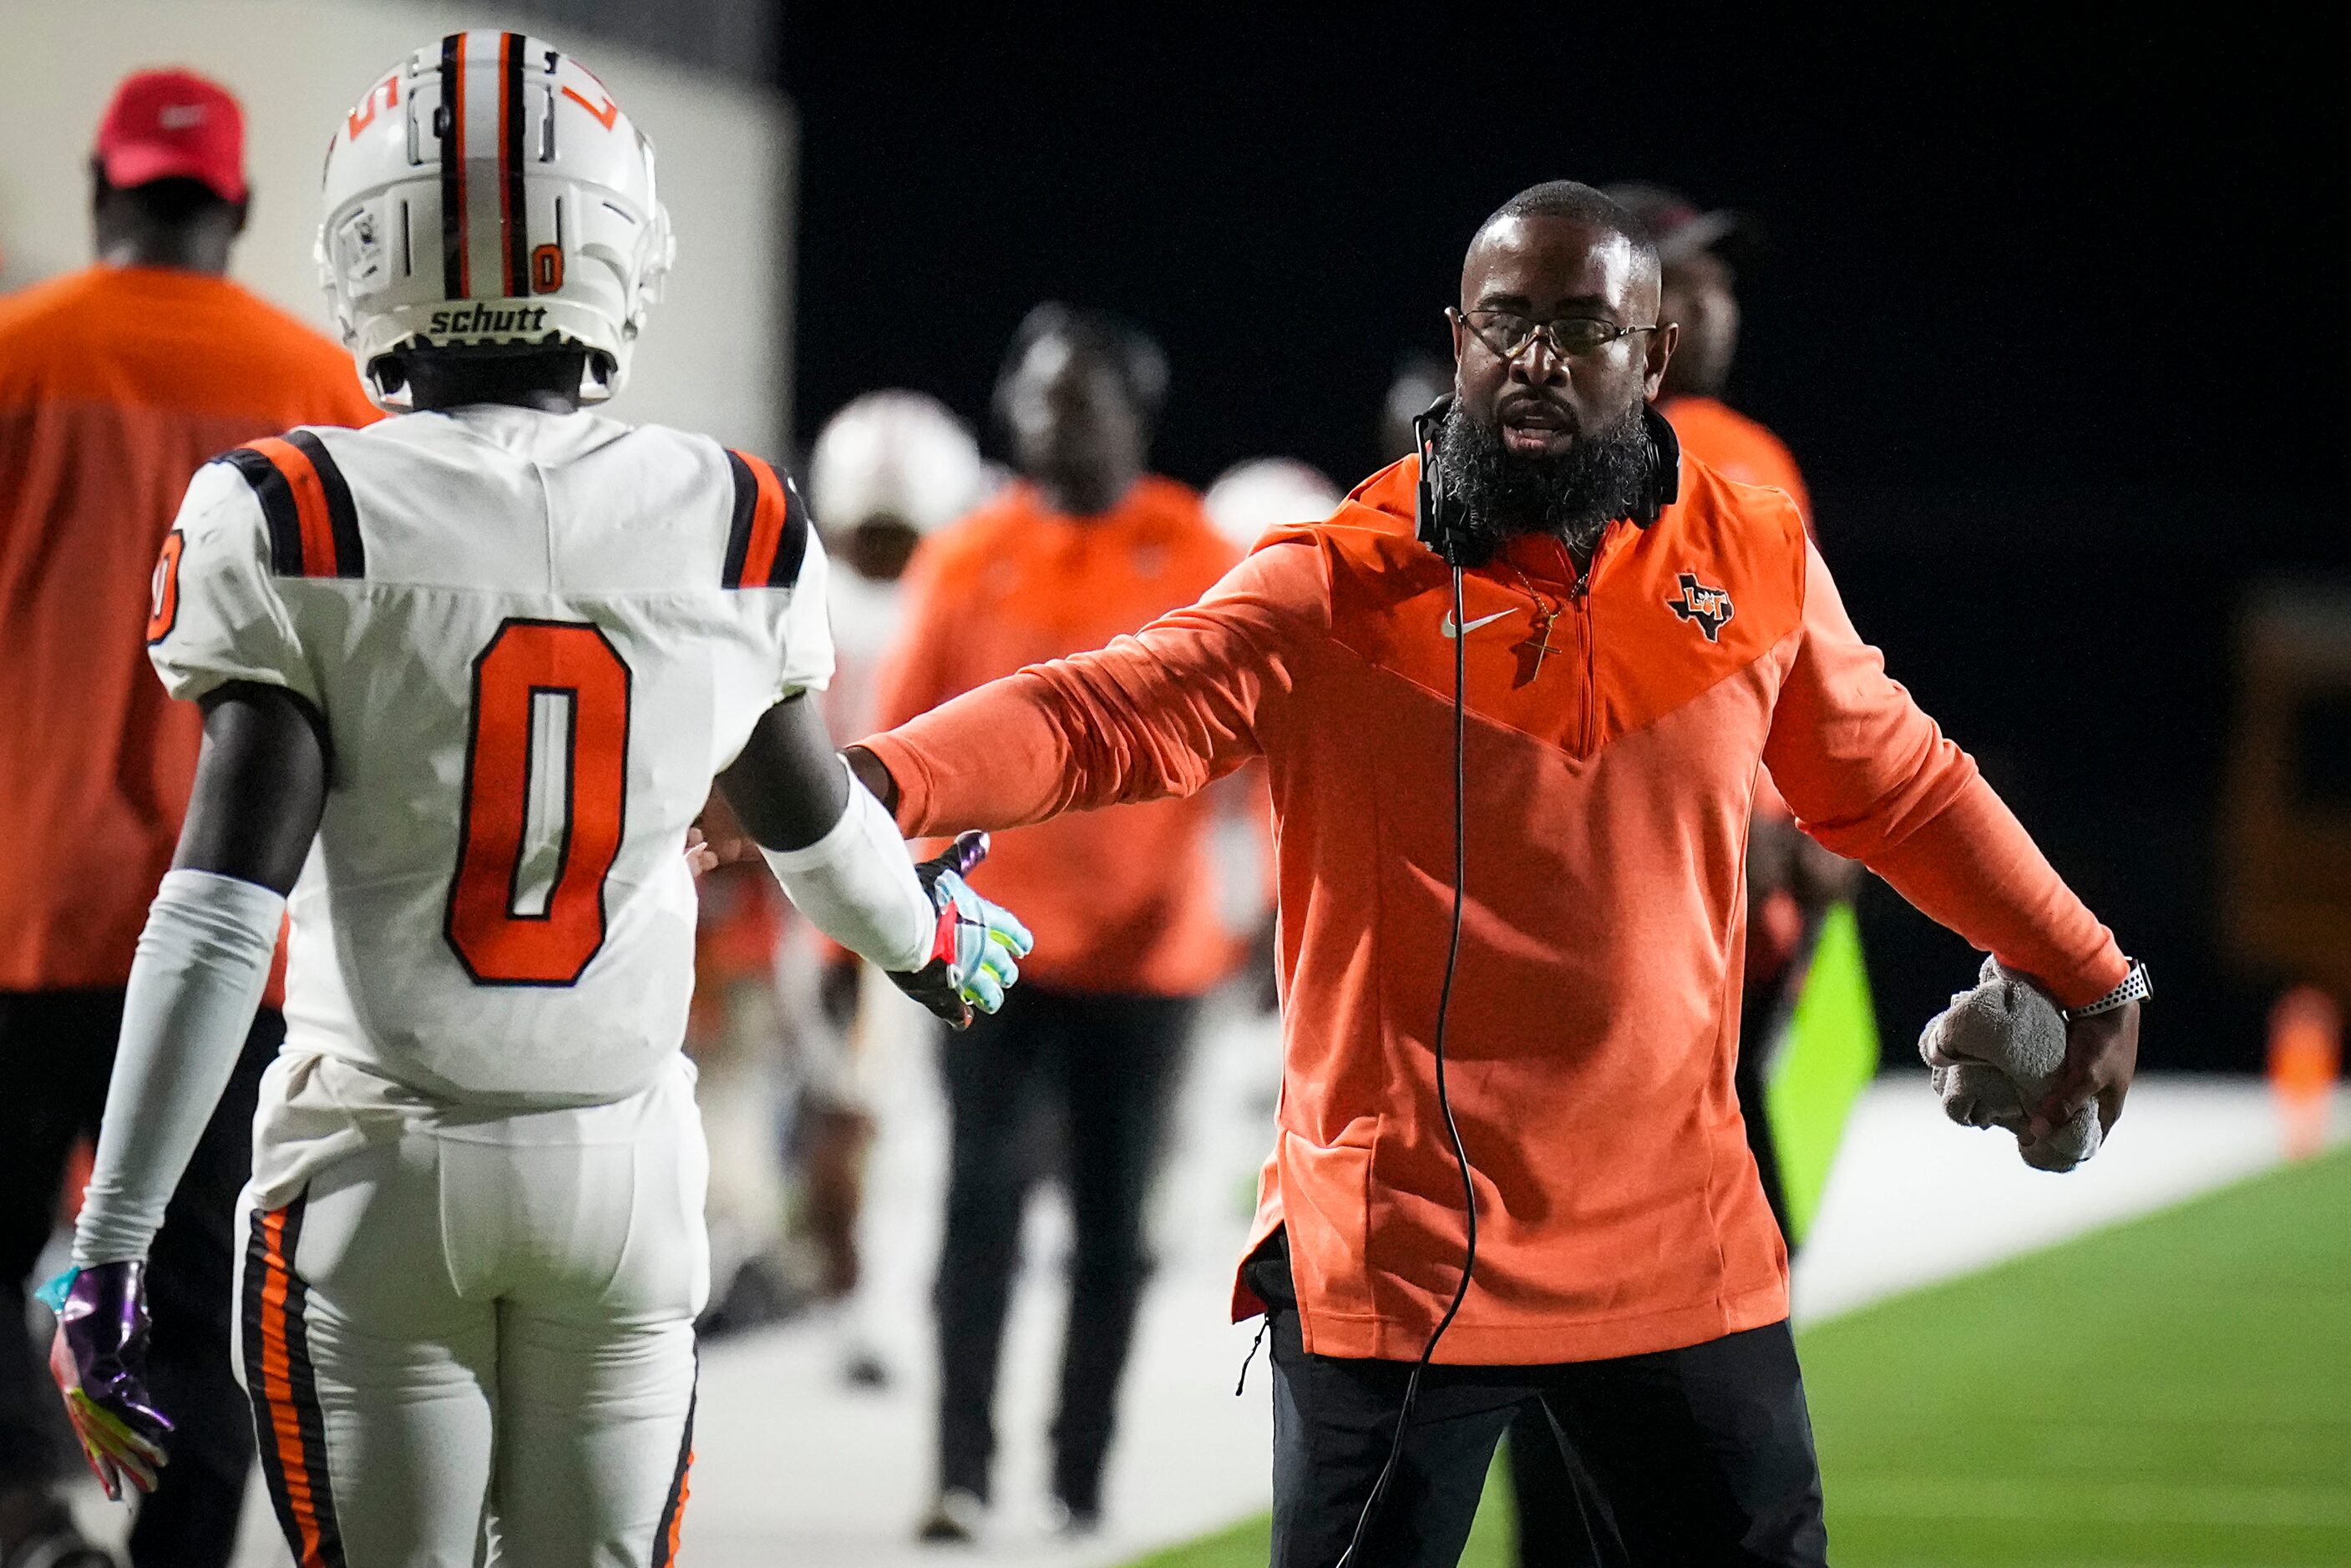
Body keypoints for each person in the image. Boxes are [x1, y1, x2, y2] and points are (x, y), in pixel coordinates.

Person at [844, 181, 2146, 1567]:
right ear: (1458, 341)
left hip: (1676, 1240)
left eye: (1582, 328)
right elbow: (1100, 712)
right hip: (1400, 1252)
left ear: (1652, 362)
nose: (1536, 358)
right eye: (1506, 323)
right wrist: (869, 786)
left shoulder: (1751, 552)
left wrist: (2092, 970)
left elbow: (1902, 781)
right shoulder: (1340, 580)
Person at [36, 34, 1027, 1565]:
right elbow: (819, 835)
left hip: (374, 1165)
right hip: (618, 1178)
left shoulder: (296, 511)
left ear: (371, 254)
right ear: (613, 249)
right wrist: (931, 940)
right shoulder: (730, 512)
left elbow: (220, 915)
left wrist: (110, 1247)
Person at [0, 67, 378, 1568]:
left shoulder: (15, 357)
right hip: (240, 937)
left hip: (17, 910)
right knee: (207, 1290)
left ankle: (32, 1508)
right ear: (235, 204)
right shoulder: (326, 393)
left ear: (104, 192)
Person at [873, 305, 1241, 1542]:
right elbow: (889, 751)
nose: (1044, 416)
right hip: (986, 946)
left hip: (1148, 957)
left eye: (1073, 395)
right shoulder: (968, 553)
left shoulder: (1197, 549)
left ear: (1136, 410)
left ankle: (1081, 1473)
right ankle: (958, 1468)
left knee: (1112, 1229)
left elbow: (1270, 754)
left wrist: (1293, 917)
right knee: (977, 1207)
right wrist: (856, 931)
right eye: (1031, 393)